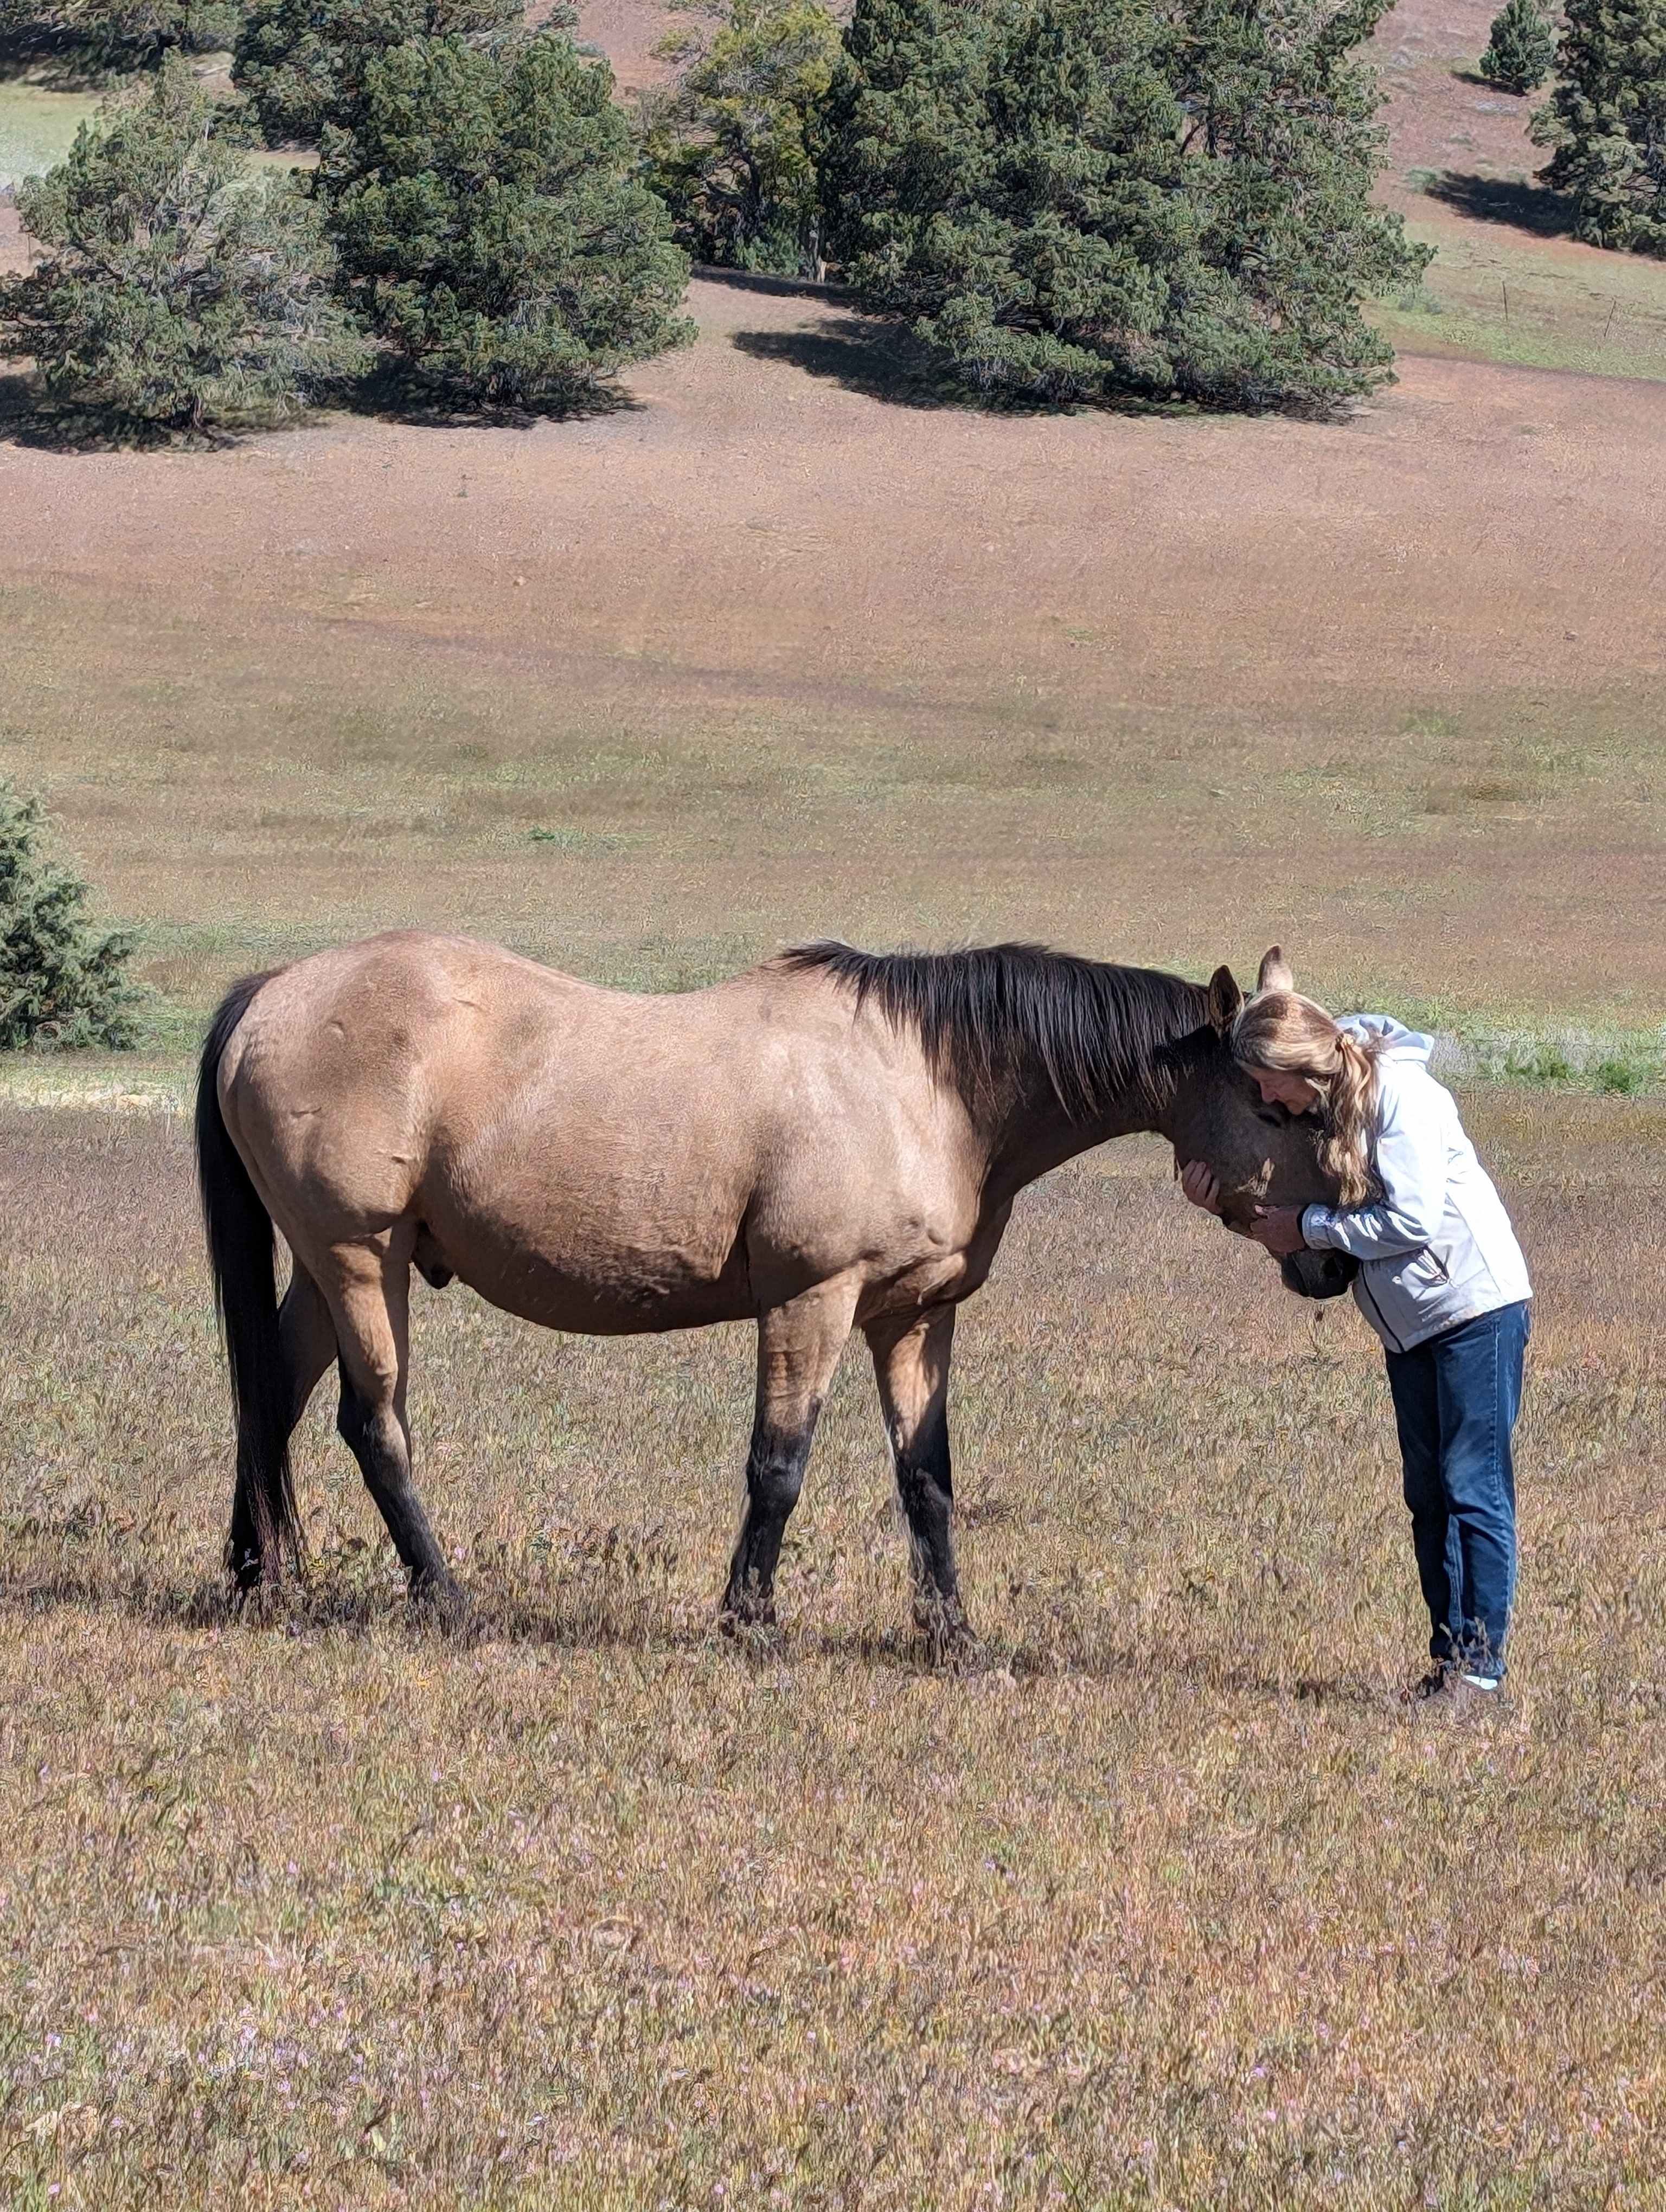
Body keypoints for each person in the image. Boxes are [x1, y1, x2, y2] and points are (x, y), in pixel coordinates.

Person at [1180, 982, 1532, 1709]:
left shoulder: (1402, 1095)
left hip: (1473, 1308)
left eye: (1263, 1082)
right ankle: (1450, 1663)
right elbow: (1312, 1215)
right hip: (1414, 1322)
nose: (1265, 1099)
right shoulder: (1331, 1103)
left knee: (1473, 1489)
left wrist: (1308, 1228)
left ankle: (1481, 1674)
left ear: (1291, 1063)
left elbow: (1411, 1220)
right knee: (1429, 1495)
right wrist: (1225, 1206)